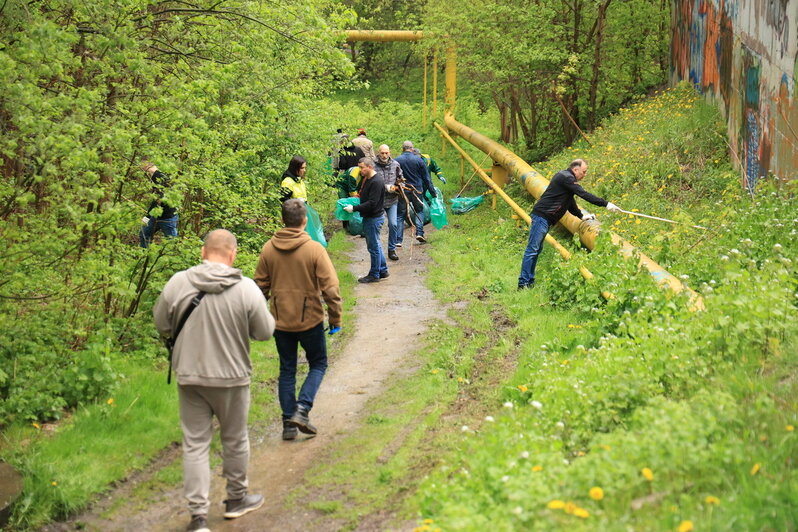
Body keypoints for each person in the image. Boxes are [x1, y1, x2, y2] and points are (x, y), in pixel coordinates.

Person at [153, 229, 276, 532]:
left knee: (195, 445)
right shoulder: (246, 288)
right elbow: (264, 332)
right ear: (232, 254)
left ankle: (198, 517)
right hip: (232, 378)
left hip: (190, 376)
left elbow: (161, 323)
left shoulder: (178, 283)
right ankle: (235, 500)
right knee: (234, 440)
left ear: (203, 252)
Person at [254, 199, 342, 441]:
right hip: (310, 319)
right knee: (318, 364)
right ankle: (302, 409)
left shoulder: (268, 249)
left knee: (287, 369)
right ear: (304, 221)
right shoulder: (314, 250)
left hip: (280, 320)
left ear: (283, 220)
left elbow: (259, 285)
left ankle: (288, 424)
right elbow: (331, 289)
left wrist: (261, 314)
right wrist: (335, 318)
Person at [517, 159, 621, 289]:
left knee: (536, 250)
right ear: (575, 169)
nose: (585, 174)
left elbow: (569, 202)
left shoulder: (565, 179)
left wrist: (581, 215)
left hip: (544, 219)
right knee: (532, 250)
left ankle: (528, 281)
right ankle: (523, 284)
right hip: (541, 217)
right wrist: (606, 204)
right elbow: (583, 194)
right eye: (584, 171)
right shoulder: (566, 177)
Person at [343, 158, 388, 283]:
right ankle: (383, 270)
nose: (360, 170)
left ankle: (374, 274)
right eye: (359, 167)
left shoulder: (376, 182)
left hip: (374, 218)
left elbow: (372, 203)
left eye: (362, 167)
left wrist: (354, 208)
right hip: (370, 217)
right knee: (376, 245)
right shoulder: (367, 179)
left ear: (370, 167)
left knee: (373, 247)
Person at [395, 141, 435, 244]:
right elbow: (427, 178)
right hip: (417, 189)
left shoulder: (397, 161)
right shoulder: (419, 160)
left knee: (400, 214)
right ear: (412, 149)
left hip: (403, 189)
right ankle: (419, 233)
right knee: (419, 211)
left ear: (402, 149)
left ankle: (399, 240)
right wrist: (433, 192)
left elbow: (394, 177)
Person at [373, 144, 404, 261]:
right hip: (378, 201)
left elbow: (401, 180)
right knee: (376, 226)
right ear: (378, 152)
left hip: (392, 200)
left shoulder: (396, 165)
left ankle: (392, 249)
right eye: (382, 153)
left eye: (386, 153)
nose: (384, 155)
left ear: (390, 153)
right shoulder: (373, 165)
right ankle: (377, 249)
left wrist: (397, 187)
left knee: (393, 224)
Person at [139, 160, 179, 248]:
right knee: (144, 233)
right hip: (156, 215)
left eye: (144, 169)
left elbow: (158, 200)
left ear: (147, 168)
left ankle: (172, 260)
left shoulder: (161, 178)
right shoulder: (154, 178)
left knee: (171, 243)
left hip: (168, 218)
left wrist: (147, 217)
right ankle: (144, 256)